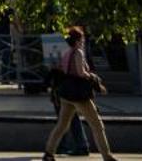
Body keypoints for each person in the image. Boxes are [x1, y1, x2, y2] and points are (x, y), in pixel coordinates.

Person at [41, 25, 115, 161]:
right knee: (97, 125)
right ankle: (107, 156)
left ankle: (49, 153)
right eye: (82, 39)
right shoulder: (78, 53)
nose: (84, 41)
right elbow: (81, 73)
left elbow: (63, 70)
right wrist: (93, 78)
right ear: (78, 40)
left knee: (62, 125)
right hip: (79, 95)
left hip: (66, 94)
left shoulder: (67, 52)